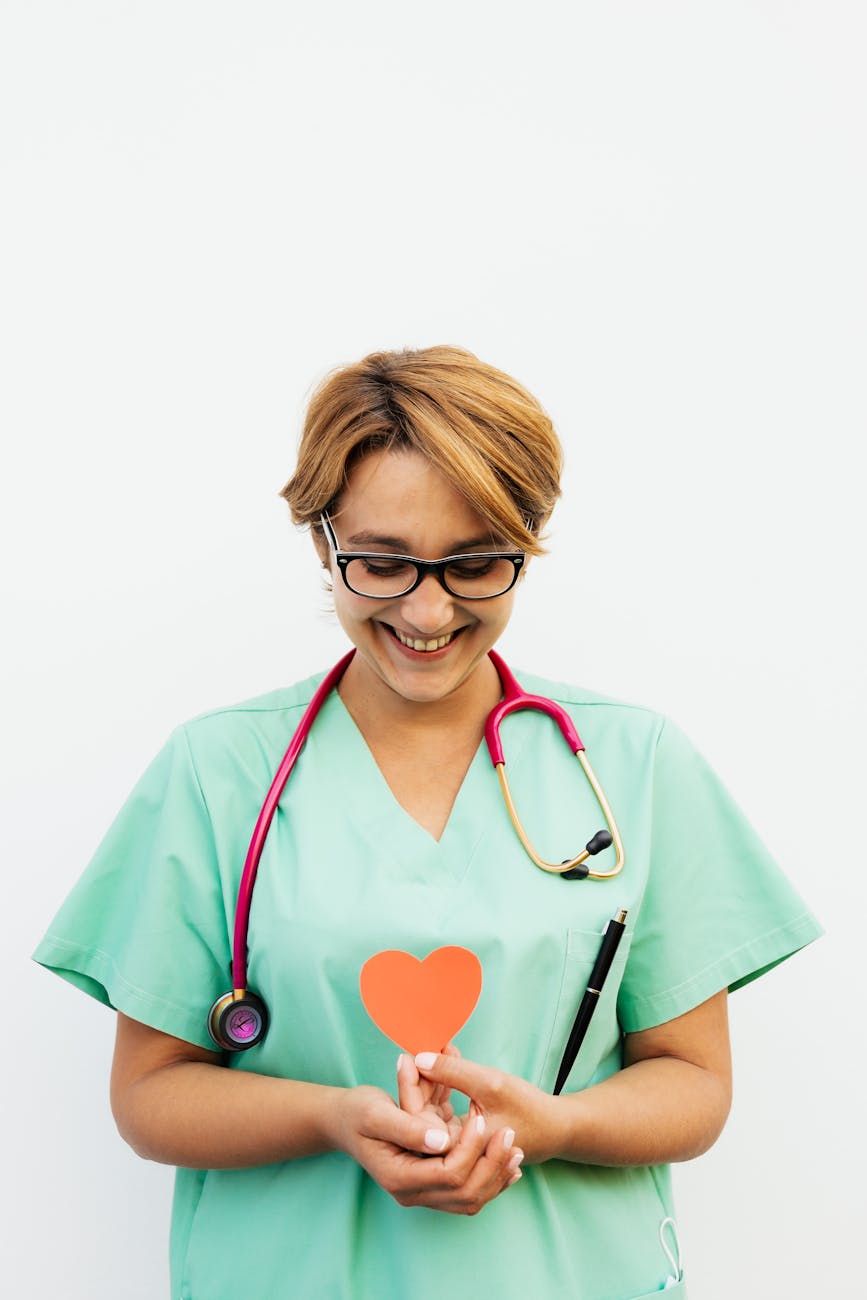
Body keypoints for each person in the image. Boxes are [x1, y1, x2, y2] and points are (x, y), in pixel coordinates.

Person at [34, 345, 822, 1299]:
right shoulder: (216, 772)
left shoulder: (634, 764)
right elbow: (151, 1095)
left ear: (525, 547)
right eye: (382, 562)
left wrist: (555, 1125)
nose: (428, 608)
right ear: (323, 543)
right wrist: (334, 1118)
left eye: (475, 562)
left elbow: (694, 1085)